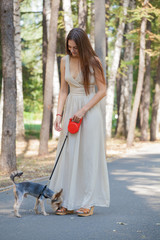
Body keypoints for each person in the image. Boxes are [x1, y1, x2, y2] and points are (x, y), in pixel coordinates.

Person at [49, 28, 110, 217]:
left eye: (75, 48)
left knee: (88, 156)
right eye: (69, 47)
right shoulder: (64, 61)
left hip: (90, 111)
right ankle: (67, 201)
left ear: (83, 46)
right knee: (69, 155)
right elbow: (63, 90)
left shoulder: (93, 61)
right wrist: (59, 114)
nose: (72, 51)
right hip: (71, 111)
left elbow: (102, 90)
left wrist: (83, 110)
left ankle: (87, 202)